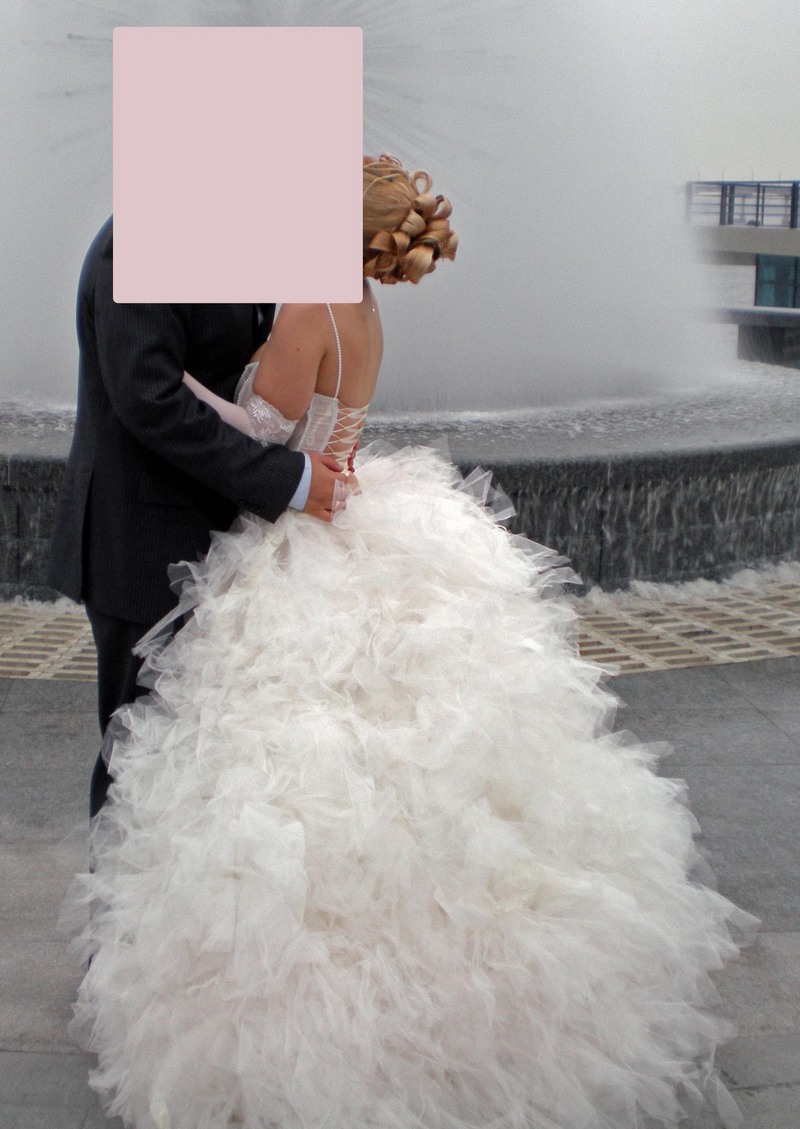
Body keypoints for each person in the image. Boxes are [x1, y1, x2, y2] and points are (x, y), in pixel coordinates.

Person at [68, 155, 754, 1129]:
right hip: (290, 518)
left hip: (290, 528)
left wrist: (199, 397)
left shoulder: (303, 305)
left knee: (197, 762)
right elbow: (241, 417)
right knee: (313, 762)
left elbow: (259, 428)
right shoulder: (358, 306)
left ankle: (164, 967)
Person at [48, 219, 345, 817]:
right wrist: (287, 479)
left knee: (194, 765)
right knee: (141, 765)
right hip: (144, 543)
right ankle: (120, 883)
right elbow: (150, 398)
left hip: (214, 540)